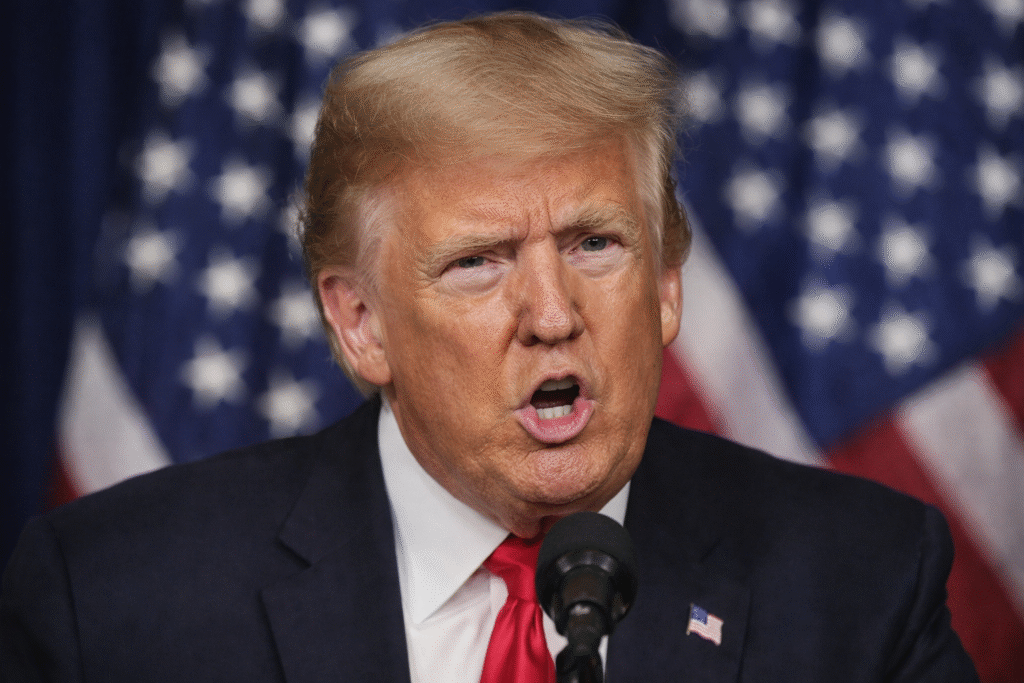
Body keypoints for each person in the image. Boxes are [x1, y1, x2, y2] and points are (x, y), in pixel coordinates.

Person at [1, 11, 978, 683]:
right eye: (477, 261)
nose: (550, 313)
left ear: (668, 282)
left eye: (596, 243)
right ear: (359, 321)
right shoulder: (117, 598)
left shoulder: (859, 581)